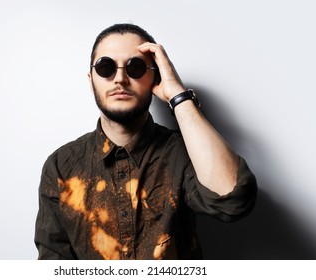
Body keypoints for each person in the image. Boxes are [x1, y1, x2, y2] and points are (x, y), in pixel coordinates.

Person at [34, 23, 257, 260]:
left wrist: (178, 97)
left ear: (155, 77)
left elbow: (233, 202)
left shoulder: (186, 152)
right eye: (106, 67)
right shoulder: (61, 166)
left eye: (136, 67)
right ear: (91, 80)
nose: (120, 79)